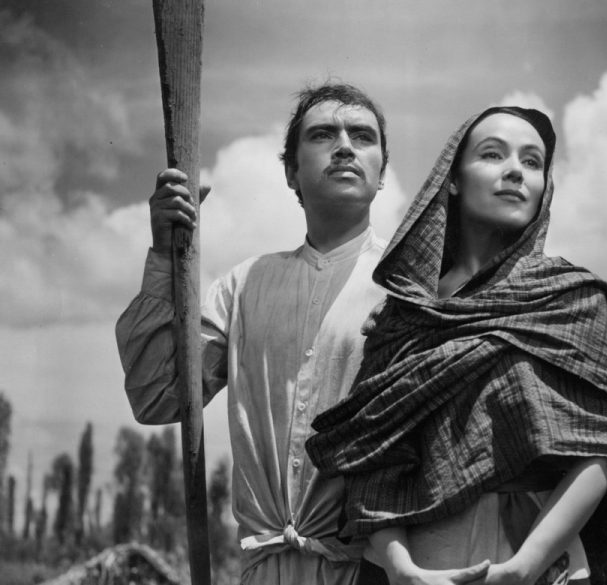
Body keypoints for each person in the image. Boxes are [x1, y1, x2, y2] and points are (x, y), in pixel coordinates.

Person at [306, 106, 607, 585]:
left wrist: (525, 566)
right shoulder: (403, 316)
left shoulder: (574, 302)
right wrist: (402, 568)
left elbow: (603, 447)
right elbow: (370, 458)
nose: (516, 171)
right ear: (452, 180)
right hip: (417, 567)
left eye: (532, 162)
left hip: (535, 559)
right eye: (493, 155)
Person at [116, 82, 405, 584]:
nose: (344, 146)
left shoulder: (410, 287)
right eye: (322, 135)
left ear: (381, 173)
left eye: (362, 136)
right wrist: (164, 256)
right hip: (264, 570)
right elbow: (157, 396)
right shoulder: (244, 285)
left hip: (372, 570)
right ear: (291, 172)